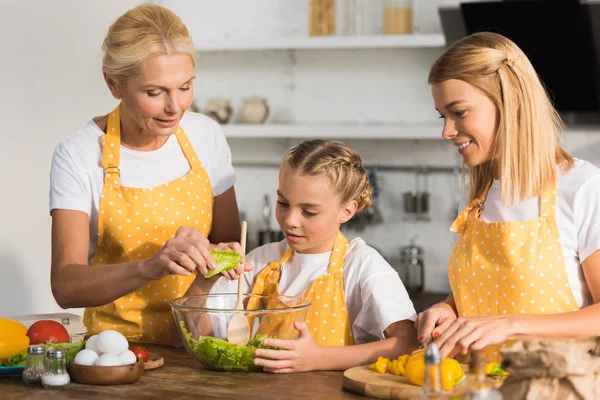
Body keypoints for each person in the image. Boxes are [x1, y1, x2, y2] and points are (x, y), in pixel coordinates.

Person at [49, 4, 248, 345]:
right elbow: (66, 286)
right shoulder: (78, 154)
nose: (175, 107)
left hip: (198, 345)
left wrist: (219, 253)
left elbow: (228, 246)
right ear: (114, 84)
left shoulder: (206, 136)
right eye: (154, 93)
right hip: (116, 351)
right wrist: (152, 265)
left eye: (185, 87)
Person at [415, 32, 600, 362]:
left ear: (511, 98)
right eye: (443, 116)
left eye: (459, 112)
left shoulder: (582, 187)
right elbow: (486, 293)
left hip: (552, 387)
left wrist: (511, 325)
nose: (447, 130)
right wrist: (449, 308)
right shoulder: (477, 195)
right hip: (478, 386)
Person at [188, 139, 419, 373]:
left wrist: (319, 358)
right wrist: (205, 279)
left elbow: (408, 344)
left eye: (309, 211)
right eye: (283, 203)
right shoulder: (261, 261)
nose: (290, 220)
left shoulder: (363, 266)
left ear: (346, 211)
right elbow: (204, 335)